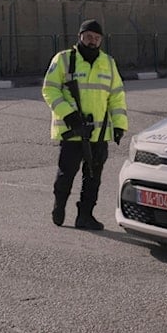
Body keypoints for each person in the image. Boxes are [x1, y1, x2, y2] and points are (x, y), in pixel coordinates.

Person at [42, 19, 129, 231]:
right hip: (72, 131)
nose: (93, 41)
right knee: (66, 174)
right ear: (80, 37)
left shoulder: (108, 62)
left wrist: (119, 125)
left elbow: (116, 96)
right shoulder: (64, 59)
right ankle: (59, 206)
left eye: (97, 38)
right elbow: (50, 89)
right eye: (89, 37)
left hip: (98, 134)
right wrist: (69, 114)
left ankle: (85, 216)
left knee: (93, 178)